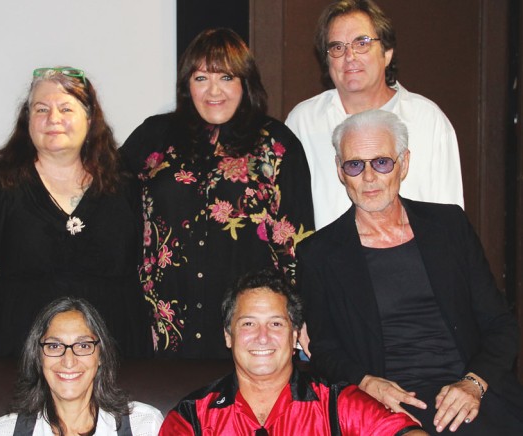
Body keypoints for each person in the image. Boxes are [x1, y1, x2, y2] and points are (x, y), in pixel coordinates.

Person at [0, 67, 150, 373]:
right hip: (26, 358)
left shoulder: (124, 179)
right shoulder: (2, 182)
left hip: (114, 356)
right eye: (41, 109)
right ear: (27, 119)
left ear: (89, 118)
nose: (53, 119)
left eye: (65, 108)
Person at [297, 109, 523, 434]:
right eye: (355, 165)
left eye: (382, 162)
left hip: (473, 389)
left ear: (403, 163)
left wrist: (474, 383)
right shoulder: (318, 253)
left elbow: (500, 325)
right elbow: (325, 349)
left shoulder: (449, 227)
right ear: (340, 171)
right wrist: (366, 383)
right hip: (391, 401)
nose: (369, 177)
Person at [121, 28, 314, 359]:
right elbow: (111, 205)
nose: (214, 91)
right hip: (160, 324)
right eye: (201, 78)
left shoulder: (277, 145)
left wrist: (301, 317)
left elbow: (298, 242)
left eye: (226, 76)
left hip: (250, 329)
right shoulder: (154, 136)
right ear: (187, 85)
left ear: (245, 82)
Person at [159, 268, 425, 435]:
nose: (262, 337)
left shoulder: (336, 404)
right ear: (228, 336)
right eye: (248, 323)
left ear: (295, 335)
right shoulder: (191, 418)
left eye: (276, 323)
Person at [285, 0, 463, 229]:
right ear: (327, 60)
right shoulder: (303, 123)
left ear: (387, 53)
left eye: (362, 43)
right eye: (338, 47)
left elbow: (451, 219)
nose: (350, 56)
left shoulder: (427, 120)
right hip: (329, 263)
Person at [0, 297, 163, 435]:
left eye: (83, 346)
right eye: (54, 346)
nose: (69, 361)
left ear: (101, 355)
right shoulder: (5, 431)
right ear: (38, 356)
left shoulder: (144, 425)